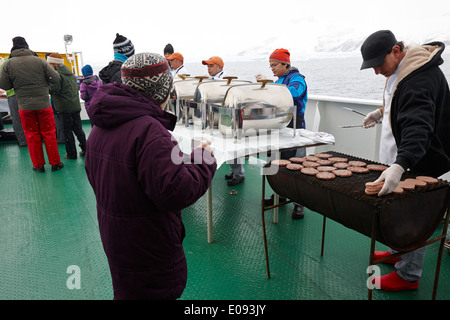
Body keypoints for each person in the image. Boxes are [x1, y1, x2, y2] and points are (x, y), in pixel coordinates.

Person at [85, 52, 217, 300]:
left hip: (117, 235)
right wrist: (203, 159)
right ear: (164, 90)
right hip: (147, 243)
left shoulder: (101, 123)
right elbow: (176, 191)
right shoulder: (149, 131)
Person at [360, 30, 450, 291]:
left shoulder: (420, 78)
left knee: (414, 215)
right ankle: (399, 251)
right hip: (404, 154)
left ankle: (408, 275)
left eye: (379, 64)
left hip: (420, 157)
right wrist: (380, 112)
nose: (377, 71)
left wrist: (401, 165)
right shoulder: (402, 67)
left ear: (396, 51)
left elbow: (417, 126)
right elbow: (399, 101)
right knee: (399, 209)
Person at [257, 48, 308, 219]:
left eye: (274, 65)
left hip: (295, 128)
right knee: (276, 164)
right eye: (270, 66)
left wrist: (271, 87)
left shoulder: (297, 79)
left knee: (295, 165)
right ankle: (280, 194)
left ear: (285, 64)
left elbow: (293, 93)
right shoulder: (279, 80)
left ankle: (299, 203)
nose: (272, 69)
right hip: (278, 125)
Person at [0, 36, 64, 172]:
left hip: (25, 107)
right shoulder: (39, 61)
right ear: (26, 46)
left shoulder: (7, 64)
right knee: (49, 133)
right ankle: (55, 163)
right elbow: (56, 78)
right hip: (44, 105)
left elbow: (4, 85)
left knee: (31, 135)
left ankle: (38, 165)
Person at [202, 56, 245, 186]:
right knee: (227, 146)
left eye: (211, 66)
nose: (208, 69)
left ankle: (239, 174)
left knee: (233, 146)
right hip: (220, 116)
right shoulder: (213, 80)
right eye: (207, 66)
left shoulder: (226, 80)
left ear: (219, 67)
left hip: (228, 116)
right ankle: (234, 171)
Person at [48, 53, 87, 159]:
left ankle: (71, 154)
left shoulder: (57, 75)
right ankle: (85, 149)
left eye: (50, 64)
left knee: (67, 131)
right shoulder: (70, 74)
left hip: (64, 107)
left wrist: (47, 87)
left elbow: (55, 90)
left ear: (54, 64)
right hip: (75, 105)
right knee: (78, 129)